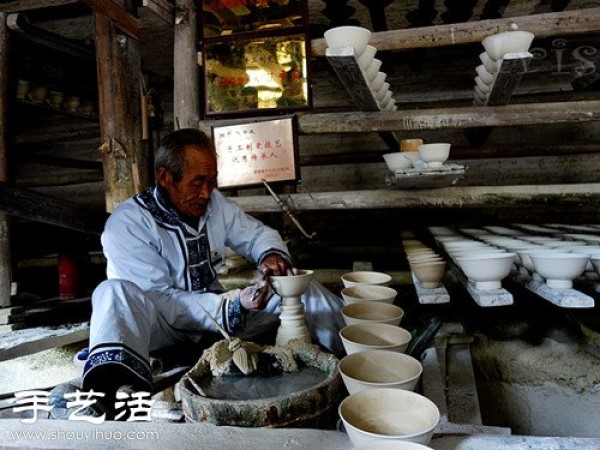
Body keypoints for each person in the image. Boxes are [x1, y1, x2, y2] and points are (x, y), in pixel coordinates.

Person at [51, 128, 345, 420]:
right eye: (197, 182)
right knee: (113, 292)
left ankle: (358, 358)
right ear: (165, 177)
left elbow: (256, 235)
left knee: (298, 289)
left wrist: (269, 254)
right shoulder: (128, 224)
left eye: (212, 181)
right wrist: (232, 306)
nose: (207, 192)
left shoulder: (214, 205)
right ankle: (113, 389)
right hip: (159, 327)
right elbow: (164, 300)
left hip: (217, 321)